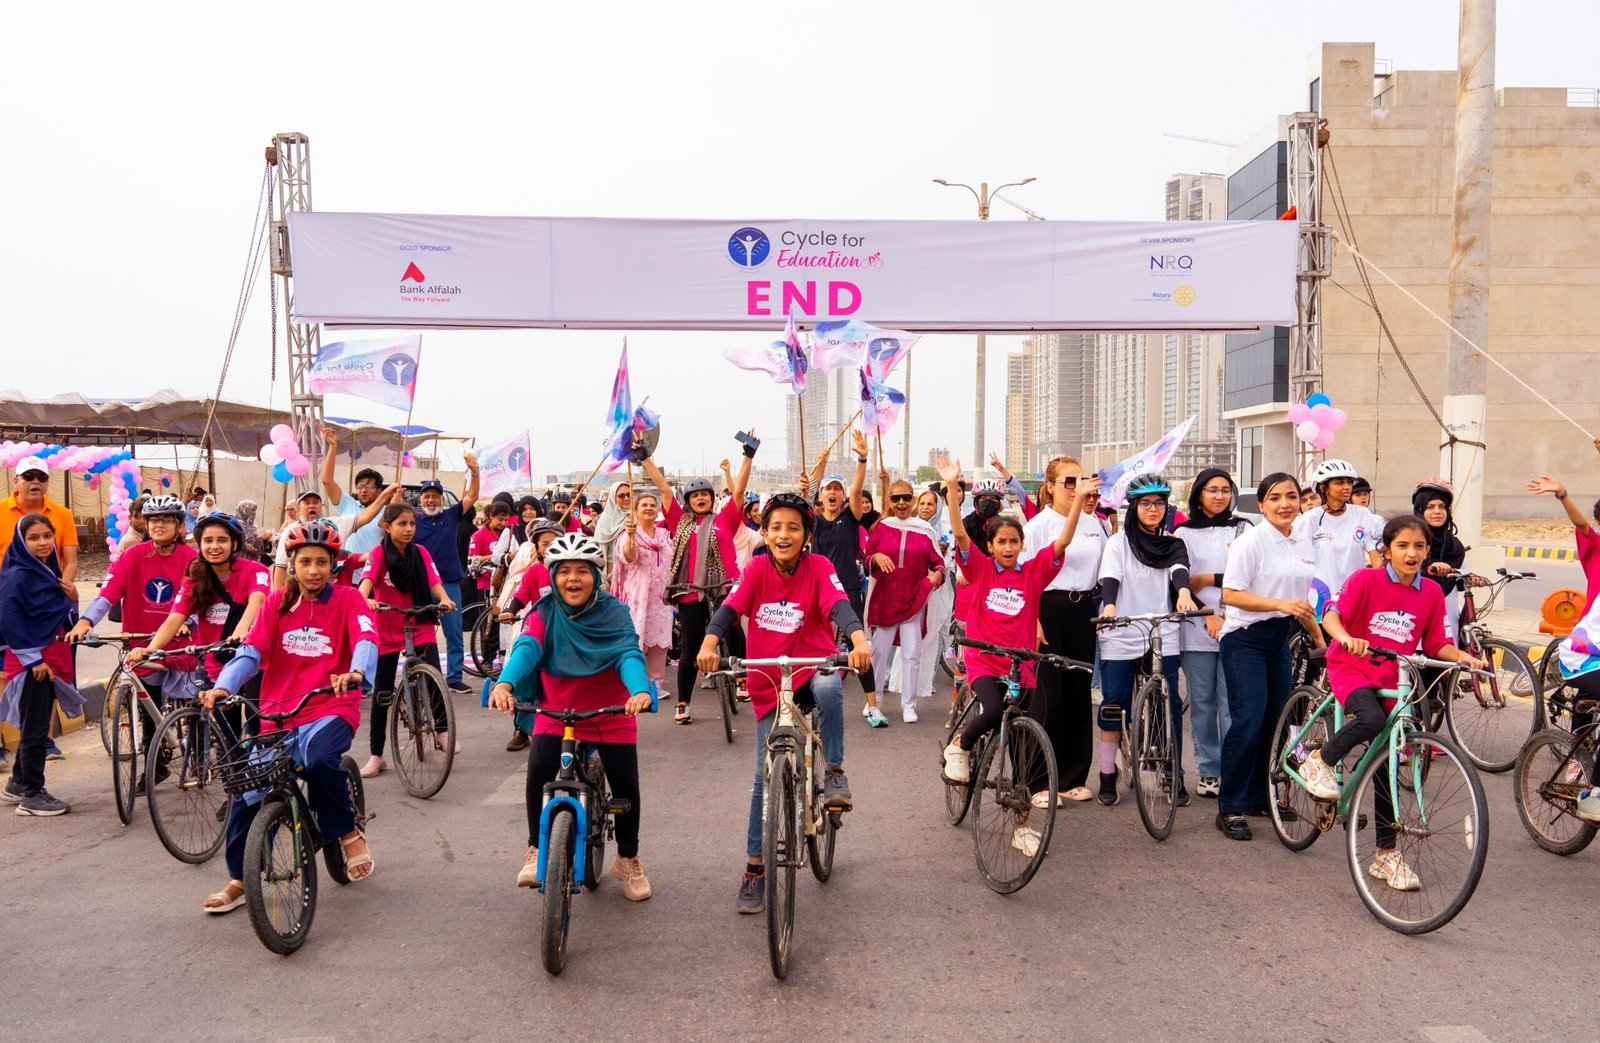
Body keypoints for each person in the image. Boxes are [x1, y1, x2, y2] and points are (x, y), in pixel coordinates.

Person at [694, 492, 871, 913]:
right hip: (767, 680)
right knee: (762, 778)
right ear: (765, 532)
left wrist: (859, 638)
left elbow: (840, 606)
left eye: (793, 527)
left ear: (807, 534)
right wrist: (709, 640)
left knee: (830, 689)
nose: (783, 534)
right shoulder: (755, 569)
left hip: (811, 668)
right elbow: (729, 608)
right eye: (775, 527)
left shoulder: (819, 567)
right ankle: (754, 868)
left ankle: (835, 772)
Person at [197, 519, 377, 913]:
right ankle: (239, 879)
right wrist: (224, 685)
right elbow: (252, 652)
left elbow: (365, 638)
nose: (314, 570)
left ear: (334, 564)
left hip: (332, 705)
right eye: (305, 562)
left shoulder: (349, 599)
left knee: (319, 759)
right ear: (291, 564)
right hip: (279, 714)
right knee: (247, 794)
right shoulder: (277, 604)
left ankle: (346, 832)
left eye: (322, 562)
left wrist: (357, 673)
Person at [1297, 515, 1487, 888]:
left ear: (1428, 551)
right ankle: (1318, 758)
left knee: (1386, 757)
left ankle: (1385, 856)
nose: (1411, 553)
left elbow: (1436, 644)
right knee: (1371, 720)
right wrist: (1345, 637)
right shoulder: (1365, 579)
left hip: (1392, 675)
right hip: (1350, 666)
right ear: (1386, 550)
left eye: (1419, 546)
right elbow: (1331, 615)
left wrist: (1463, 657)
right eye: (1402, 546)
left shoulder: (1431, 592)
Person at [489, 533, 656, 901]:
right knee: (538, 771)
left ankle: (628, 858)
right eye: (565, 571)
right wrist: (505, 684)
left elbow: (628, 652)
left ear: (596, 576)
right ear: (553, 577)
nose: (573, 579)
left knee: (626, 785)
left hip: (610, 711)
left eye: (583, 570)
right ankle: (535, 847)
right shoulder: (543, 612)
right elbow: (527, 647)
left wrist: (639, 690)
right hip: (557, 710)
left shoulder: (614, 611)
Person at [938, 458, 1087, 842]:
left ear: (1022, 546)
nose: (1008, 547)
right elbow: (960, 535)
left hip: (1021, 667)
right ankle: (961, 744)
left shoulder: (1034, 571)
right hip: (984, 661)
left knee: (1023, 746)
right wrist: (953, 491)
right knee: (990, 712)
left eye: (1014, 542)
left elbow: (1064, 541)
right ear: (990, 546)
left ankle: (1021, 824)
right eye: (1001, 542)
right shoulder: (982, 569)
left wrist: (1079, 502)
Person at [1215, 473, 1323, 841]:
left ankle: (1261, 797)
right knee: (1247, 720)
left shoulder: (1303, 541)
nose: (1285, 504)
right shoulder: (1251, 542)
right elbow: (1231, 594)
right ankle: (1230, 806)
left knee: (1278, 721)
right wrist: (1279, 603)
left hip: (1281, 639)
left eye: (1291, 496)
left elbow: (1304, 603)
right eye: (1275, 497)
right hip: (1245, 639)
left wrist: (1321, 642)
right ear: (1261, 505)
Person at [68, 493, 197, 788]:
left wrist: (189, 622)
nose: (159, 525)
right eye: (154, 520)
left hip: (182, 644)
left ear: (179, 526)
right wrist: (86, 622)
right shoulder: (132, 557)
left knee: (195, 706)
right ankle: (155, 766)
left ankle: (201, 759)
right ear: (146, 524)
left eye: (167, 520)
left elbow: (202, 600)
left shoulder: (192, 559)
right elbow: (107, 594)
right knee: (146, 709)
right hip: (141, 644)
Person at [1094, 474, 1199, 806]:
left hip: (1161, 629)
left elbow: (1179, 572)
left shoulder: (1173, 543)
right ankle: (1107, 773)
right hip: (1122, 628)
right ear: (1133, 507)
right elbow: (1111, 578)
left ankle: (1173, 773)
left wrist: (1184, 594)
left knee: (1170, 704)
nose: (1153, 509)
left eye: (1159, 503)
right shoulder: (1118, 543)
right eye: (1145, 503)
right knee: (1114, 705)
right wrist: (1109, 605)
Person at [639, 431, 751, 723]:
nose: (701, 498)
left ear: (712, 499)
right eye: (695, 495)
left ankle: (741, 679)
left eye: (705, 494)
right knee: (690, 645)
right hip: (689, 591)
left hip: (725, 586)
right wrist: (645, 459)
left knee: (732, 627)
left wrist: (748, 456)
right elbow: (663, 489)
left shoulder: (725, 518)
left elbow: (738, 492)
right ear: (688, 501)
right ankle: (684, 702)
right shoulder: (680, 520)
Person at [129, 513, 268, 740]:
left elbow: (258, 600)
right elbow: (175, 617)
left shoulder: (255, 570)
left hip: (255, 659)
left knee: (257, 724)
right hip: (218, 660)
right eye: (208, 540)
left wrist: (242, 631)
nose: (214, 546)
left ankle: (261, 765)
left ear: (234, 544)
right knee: (228, 735)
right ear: (200, 544)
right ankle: (235, 771)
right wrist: (151, 649)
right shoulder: (195, 578)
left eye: (222, 540)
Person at [1022, 455, 1109, 803]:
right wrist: (1033, 618)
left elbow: (1106, 572)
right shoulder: (1038, 525)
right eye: (1068, 482)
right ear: (1051, 488)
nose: (1077, 488)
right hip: (1048, 608)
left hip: (1084, 610)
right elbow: (1024, 577)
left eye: (1080, 480)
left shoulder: (1094, 524)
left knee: (1077, 694)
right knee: (1047, 697)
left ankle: (1073, 775)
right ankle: (1036, 781)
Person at [357, 502, 455, 776]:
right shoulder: (379, 554)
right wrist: (365, 600)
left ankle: (442, 732)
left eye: (412, 523)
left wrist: (445, 599)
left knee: (434, 676)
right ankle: (377, 755)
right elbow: (366, 580)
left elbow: (434, 582)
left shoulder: (421, 552)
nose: (409, 528)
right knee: (382, 694)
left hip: (418, 621)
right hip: (387, 627)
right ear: (387, 527)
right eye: (402, 523)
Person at [1174, 468, 1253, 800]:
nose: (1219, 496)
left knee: (1232, 704)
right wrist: (1207, 614)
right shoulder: (1183, 532)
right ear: (1199, 495)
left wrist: (1209, 579)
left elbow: (1247, 574)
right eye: (1212, 490)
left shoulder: (1244, 528)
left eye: (1224, 490)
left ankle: (1234, 770)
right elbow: (1181, 579)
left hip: (1237, 626)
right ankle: (1209, 770)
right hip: (1196, 628)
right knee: (1203, 704)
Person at [799, 431, 887, 725]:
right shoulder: (812, 521)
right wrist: (816, 475)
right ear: (821, 496)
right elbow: (804, 502)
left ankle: (872, 706)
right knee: (809, 644)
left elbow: (859, 487)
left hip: (848, 590)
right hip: (816, 590)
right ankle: (803, 699)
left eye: (838, 489)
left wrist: (862, 459)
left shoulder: (850, 517)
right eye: (828, 489)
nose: (833, 493)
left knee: (858, 644)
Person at [0, 514, 83, 815]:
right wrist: (33, 659)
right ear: (22, 542)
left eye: (47, 536)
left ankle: (18, 783)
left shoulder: (45, 570)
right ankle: (32, 796)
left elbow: (57, 614)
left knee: (36, 722)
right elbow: (9, 620)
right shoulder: (20, 575)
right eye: (34, 538)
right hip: (31, 661)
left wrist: (72, 595)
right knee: (36, 729)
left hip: (48, 658)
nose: (44, 543)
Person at [863, 476, 945, 722]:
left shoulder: (924, 530)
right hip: (884, 601)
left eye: (906, 498)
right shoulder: (882, 527)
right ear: (889, 501)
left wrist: (937, 576)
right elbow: (866, 558)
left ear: (913, 500)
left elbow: (938, 562)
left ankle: (909, 705)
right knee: (878, 652)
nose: (901, 502)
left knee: (912, 654)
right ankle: (873, 702)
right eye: (896, 498)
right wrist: (876, 557)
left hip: (913, 601)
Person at [411, 455, 481, 695]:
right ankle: (423, 676)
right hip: (420, 586)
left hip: (449, 583)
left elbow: (471, 496)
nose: (431, 499)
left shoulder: (451, 515)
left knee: (453, 632)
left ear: (441, 499)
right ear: (421, 499)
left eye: (435, 496)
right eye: (427, 496)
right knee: (419, 633)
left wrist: (475, 472)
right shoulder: (412, 522)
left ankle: (453, 677)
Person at [496, 518, 567, 751]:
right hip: (540, 634)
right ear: (536, 548)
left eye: (555, 542)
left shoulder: (572, 569)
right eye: (544, 543)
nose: (549, 547)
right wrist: (508, 611)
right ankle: (521, 729)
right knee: (525, 678)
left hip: (569, 636)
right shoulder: (534, 571)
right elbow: (520, 597)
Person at [1294, 458, 1383, 623]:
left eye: (1349, 482)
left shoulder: (1362, 515)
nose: (1347, 487)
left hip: (1355, 596)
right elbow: (1298, 560)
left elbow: (1375, 555)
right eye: (1340, 482)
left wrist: (1377, 586)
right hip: (1321, 598)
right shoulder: (1309, 519)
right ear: (1323, 488)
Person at [1528, 442, 1600, 610]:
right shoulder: (1595, 545)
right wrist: (1562, 493)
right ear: (1598, 522)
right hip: (1595, 626)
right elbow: (1581, 522)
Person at [613, 489, 673, 682]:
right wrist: (631, 536)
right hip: (637, 596)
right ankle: (636, 682)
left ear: (658, 511)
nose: (648, 508)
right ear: (636, 510)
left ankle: (656, 684)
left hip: (661, 597)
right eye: (643, 505)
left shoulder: (665, 536)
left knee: (659, 641)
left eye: (652, 505)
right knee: (636, 639)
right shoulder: (628, 534)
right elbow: (628, 557)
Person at [0, 455, 79, 592]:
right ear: (16, 481)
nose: (36, 482)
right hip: (6, 593)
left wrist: (61, 589)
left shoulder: (63, 514)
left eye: (42, 477)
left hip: (47, 593)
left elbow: (70, 562)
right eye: (29, 476)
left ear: (47, 483)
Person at [318, 425, 388, 555]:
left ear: (379, 491)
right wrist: (333, 447)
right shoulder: (347, 505)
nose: (363, 490)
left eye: (368, 486)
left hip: (376, 573)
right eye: (360, 486)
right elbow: (327, 481)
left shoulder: (388, 512)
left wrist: (397, 505)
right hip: (348, 573)